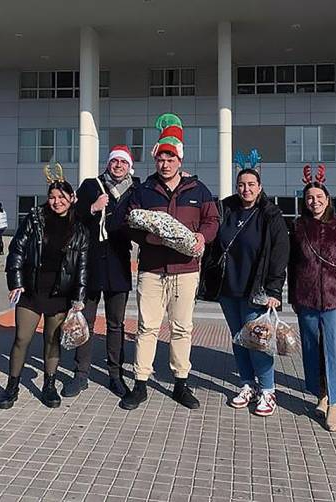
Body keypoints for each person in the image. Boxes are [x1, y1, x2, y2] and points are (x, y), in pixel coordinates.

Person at [119, 113, 220, 411]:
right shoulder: (144, 190)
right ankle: (140, 383)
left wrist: (202, 237)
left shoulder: (198, 190)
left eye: (171, 158)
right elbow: (130, 224)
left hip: (186, 270)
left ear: (179, 160)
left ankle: (181, 383)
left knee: (181, 328)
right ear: (155, 160)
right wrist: (152, 238)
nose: (165, 164)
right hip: (151, 270)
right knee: (147, 327)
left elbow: (212, 220)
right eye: (161, 158)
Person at [199, 167, 289, 417]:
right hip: (228, 288)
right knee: (239, 339)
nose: (246, 189)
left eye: (251, 184)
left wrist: (274, 289)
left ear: (259, 187)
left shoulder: (270, 214)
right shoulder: (227, 209)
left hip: (256, 290)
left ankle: (268, 390)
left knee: (258, 342)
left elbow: (280, 254)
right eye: (241, 184)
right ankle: (247, 384)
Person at [0, 170, 89, 409]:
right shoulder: (35, 217)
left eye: (61, 197)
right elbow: (17, 249)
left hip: (60, 294)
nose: (56, 201)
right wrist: (15, 281)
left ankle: (49, 386)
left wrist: (78, 298)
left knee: (52, 340)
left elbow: (81, 267)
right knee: (21, 338)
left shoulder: (79, 228)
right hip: (31, 289)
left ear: (72, 198)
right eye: (52, 197)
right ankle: (12, 386)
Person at [287, 165, 336, 432]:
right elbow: (292, 263)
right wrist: (292, 297)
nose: (314, 202)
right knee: (311, 349)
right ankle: (320, 393)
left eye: (319, 197)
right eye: (309, 198)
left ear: (327, 199)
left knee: (334, 350)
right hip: (306, 297)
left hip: (335, 297)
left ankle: (335, 403)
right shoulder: (298, 226)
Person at [61, 145, 141, 398]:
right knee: (86, 320)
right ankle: (81, 374)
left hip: (118, 262)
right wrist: (93, 207)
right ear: (108, 163)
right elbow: (73, 217)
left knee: (116, 324)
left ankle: (115, 375)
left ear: (130, 167)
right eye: (114, 161)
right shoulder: (90, 185)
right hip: (91, 262)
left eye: (123, 162)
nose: (118, 165)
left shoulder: (136, 189)